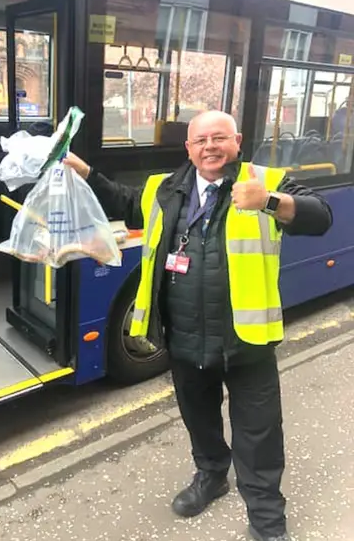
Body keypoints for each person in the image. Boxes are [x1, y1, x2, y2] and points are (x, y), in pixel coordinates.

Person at [64, 110, 332, 541]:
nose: (210, 147)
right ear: (188, 148)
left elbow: (321, 218)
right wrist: (85, 171)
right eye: (201, 140)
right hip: (184, 336)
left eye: (219, 138)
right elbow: (125, 202)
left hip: (247, 338)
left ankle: (265, 517)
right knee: (199, 418)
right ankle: (211, 476)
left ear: (237, 141)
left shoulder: (265, 181)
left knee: (259, 432)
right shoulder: (166, 188)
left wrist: (268, 201)